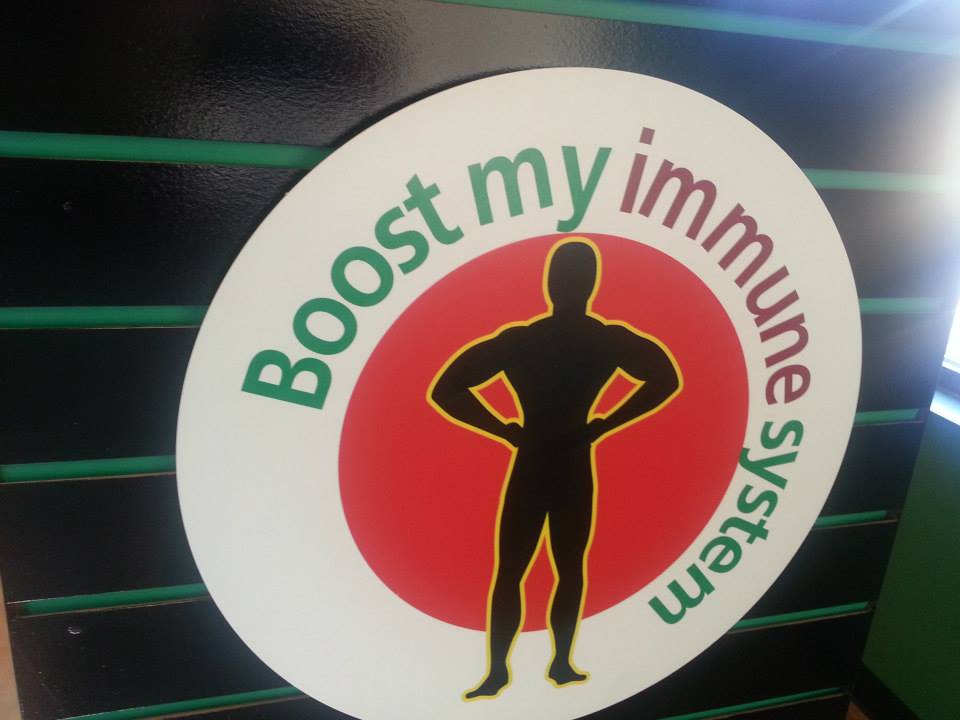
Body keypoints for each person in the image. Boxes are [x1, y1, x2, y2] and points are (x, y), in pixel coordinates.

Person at [429, 237, 682, 700]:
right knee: (555, 567)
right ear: (590, 284)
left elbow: (448, 389)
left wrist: (506, 429)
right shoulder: (602, 340)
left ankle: (515, 669)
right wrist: (600, 425)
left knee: (527, 567)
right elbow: (664, 377)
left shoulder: (525, 340)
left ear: (552, 283)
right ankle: (541, 665)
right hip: (570, 457)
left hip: (536, 456)